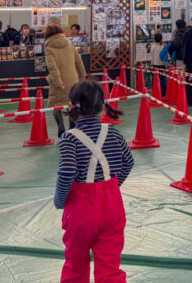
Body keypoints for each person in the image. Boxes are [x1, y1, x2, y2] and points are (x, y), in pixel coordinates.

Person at [55, 81, 134, 283]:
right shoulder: (114, 132)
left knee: (76, 264)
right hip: (112, 206)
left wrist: (59, 200)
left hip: (81, 210)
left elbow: (67, 172)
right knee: (110, 267)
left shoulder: (69, 139)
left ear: (72, 107)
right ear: (101, 107)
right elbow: (128, 161)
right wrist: (113, 187)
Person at [45, 25, 87, 138]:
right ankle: (72, 129)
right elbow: (79, 62)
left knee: (55, 105)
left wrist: (58, 82)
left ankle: (61, 128)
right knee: (72, 104)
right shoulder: (69, 44)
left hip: (59, 83)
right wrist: (82, 77)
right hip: (73, 81)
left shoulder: (49, 48)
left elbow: (52, 68)